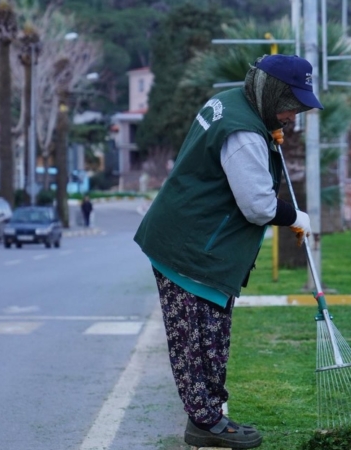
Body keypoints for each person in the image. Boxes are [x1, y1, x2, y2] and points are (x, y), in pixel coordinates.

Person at [133, 54, 322, 449]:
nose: (292, 116)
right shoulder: (243, 133)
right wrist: (296, 217)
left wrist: (271, 134)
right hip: (191, 249)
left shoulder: (232, 105)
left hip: (196, 242)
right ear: (271, 94)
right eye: (290, 106)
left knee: (211, 338)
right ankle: (204, 423)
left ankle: (212, 415)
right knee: (195, 343)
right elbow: (258, 205)